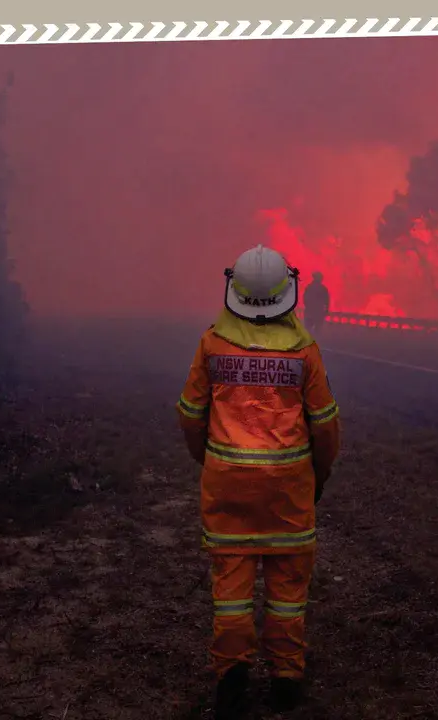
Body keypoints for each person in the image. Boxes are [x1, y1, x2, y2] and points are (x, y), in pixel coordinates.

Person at [176, 245, 340, 719]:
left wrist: (207, 461)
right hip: (289, 493)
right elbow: (325, 425)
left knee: (231, 589)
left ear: (235, 289)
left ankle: (231, 677)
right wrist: (318, 474)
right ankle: (287, 678)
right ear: (287, 291)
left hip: (228, 490)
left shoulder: (212, 344)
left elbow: (190, 415)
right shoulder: (305, 351)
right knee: (288, 591)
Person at [303, 271, 330, 336]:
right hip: (318, 312)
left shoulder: (309, 287)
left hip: (311, 311)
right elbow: (326, 301)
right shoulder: (323, 289)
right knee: (317, 330)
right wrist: (326, 310)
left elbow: (305, 299)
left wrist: (308, 307)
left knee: (308, 330)